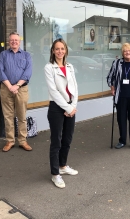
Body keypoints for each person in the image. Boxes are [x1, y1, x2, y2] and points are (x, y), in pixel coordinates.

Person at [44, 39, 78, 189]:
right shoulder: (49, 68)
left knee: (67, 138)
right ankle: (55, 174)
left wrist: (73, 106)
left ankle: (63, 166)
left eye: (62, 49)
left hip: (70, 107)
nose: (60, 51)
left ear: (66, 50)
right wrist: (67, 107)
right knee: (56, 141)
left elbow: (75, 87)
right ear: (53, 51)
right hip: (56, 108)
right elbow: (53, 91)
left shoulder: (70, 67)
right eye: (57, 49)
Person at [0, 32, 33, 152]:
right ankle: (10, 141)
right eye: (12, 40)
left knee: (22, 116)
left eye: (16, 40)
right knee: (8, 116)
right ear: (9, 41)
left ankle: (23, 141)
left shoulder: (26, 55)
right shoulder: (3, 55)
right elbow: (0, 72)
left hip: (21, 89)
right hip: (6, 89)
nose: (14, 42)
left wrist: (16, 86)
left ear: (19, 41)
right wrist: (10, 86)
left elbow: (28, 73)